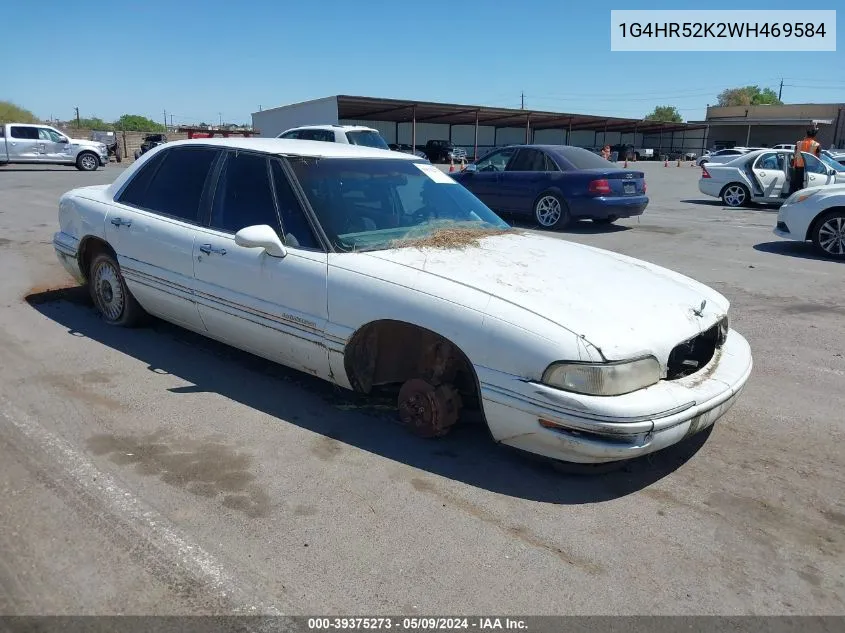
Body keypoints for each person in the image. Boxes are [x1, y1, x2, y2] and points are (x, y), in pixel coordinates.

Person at [790, 127, 822, 194]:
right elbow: (818, 159)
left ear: (806, 135)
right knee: (808, 186)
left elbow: (795, 154)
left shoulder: (798, 143)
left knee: (798, 186)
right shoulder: (816, 145)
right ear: (814, 136)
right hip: (810, 168)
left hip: (798, 167)